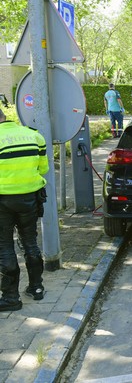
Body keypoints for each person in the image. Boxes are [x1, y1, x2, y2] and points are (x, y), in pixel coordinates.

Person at [0, 107, 49, 311]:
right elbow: (44, 169)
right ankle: (36, 288)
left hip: (2, 201)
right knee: (30, 242)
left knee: (4, 246)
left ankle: (11, 298)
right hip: (30, 198)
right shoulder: (33, 136)